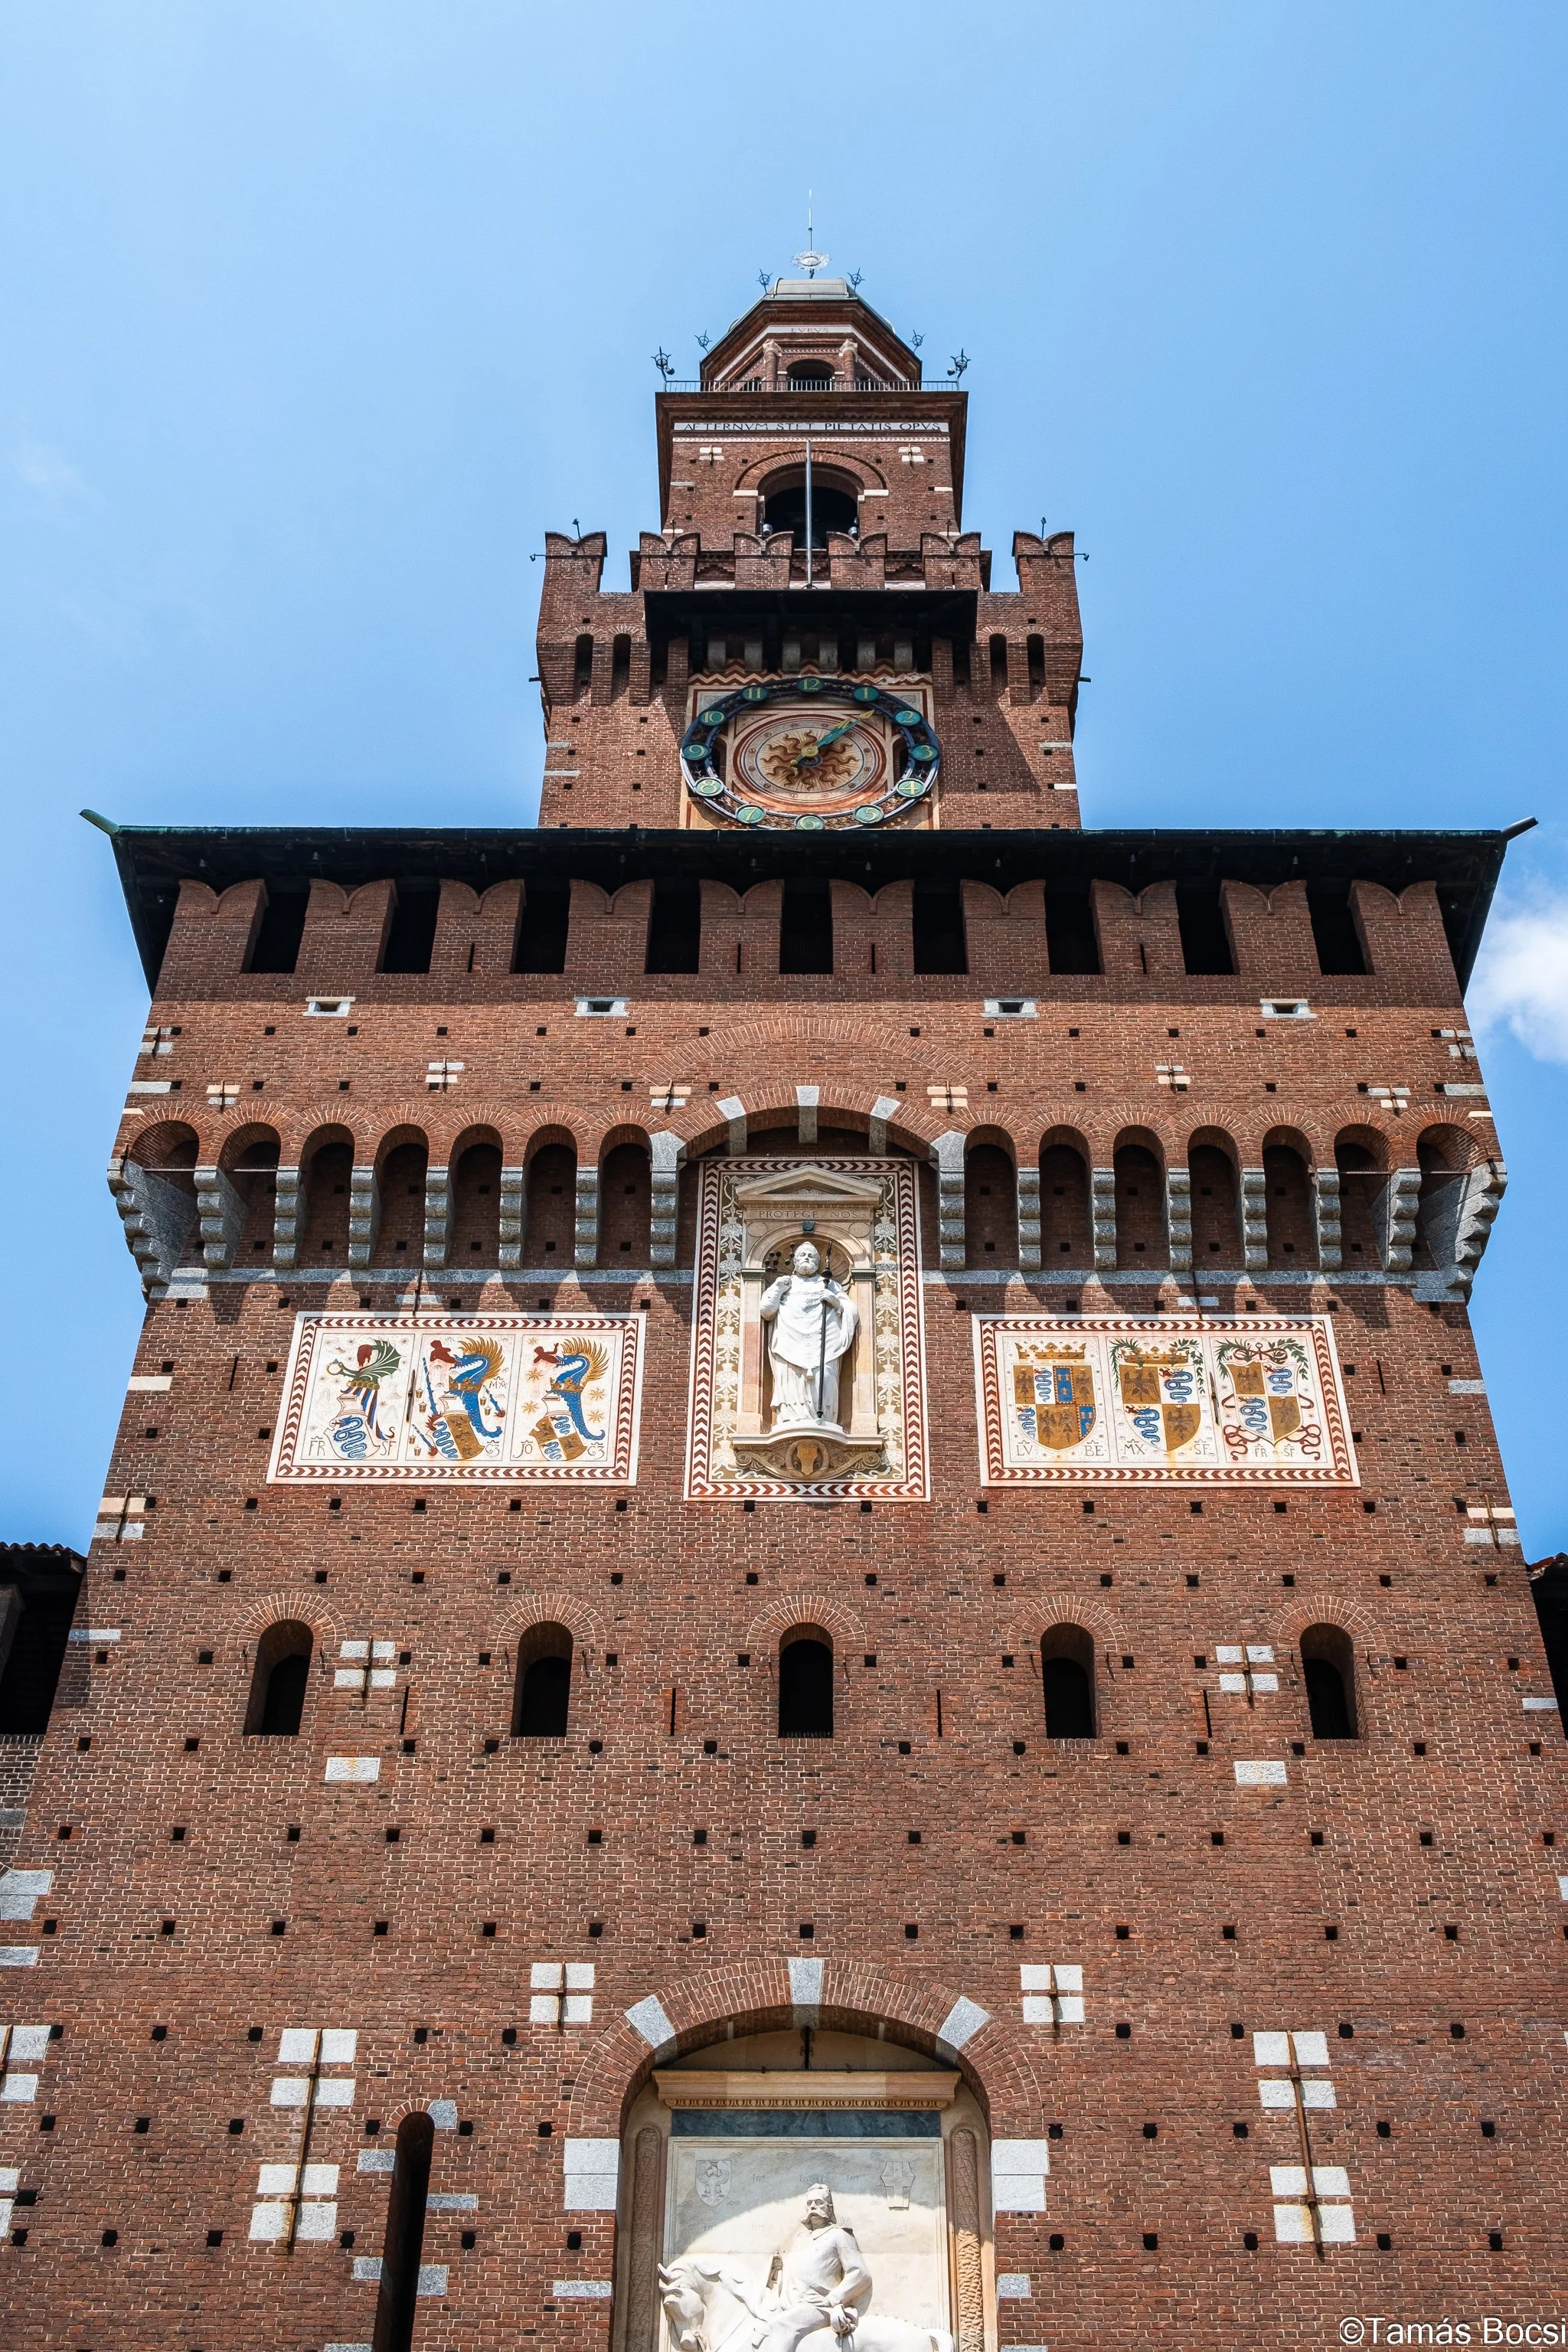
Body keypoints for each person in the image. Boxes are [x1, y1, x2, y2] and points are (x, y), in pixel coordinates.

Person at [759, 1243, 858, 1429]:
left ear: (818, 1263)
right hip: (789, 1344)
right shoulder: (785, 1283)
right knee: (791, 1379)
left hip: (824, 1345)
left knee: (825, 1378)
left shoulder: (831, 1285)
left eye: (812, 1256)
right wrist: (778, 1288)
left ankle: (825, 1419)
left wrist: (836, 1302)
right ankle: (789, 1418)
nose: (807, 1258)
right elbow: (766, 1311)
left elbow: (851, 1311)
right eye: (802, 1255)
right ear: (794, 1261)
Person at [763, 2184, 872, 2352]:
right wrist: (779, 2268)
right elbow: (800, 2273)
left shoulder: (839, 2235)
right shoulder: (801, 2240)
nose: (813, 2206)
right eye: (809, 2203)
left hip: (819, 2307)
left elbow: (860, 2274)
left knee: (781, 2325)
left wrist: (831, 2299)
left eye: (819, 2202)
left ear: (829, 2209)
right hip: (792, 2304)